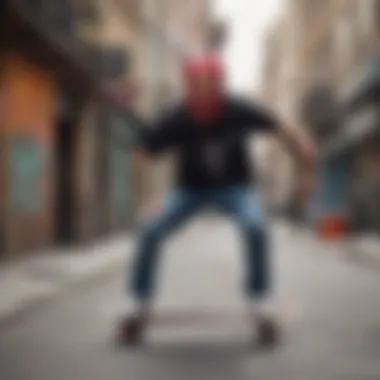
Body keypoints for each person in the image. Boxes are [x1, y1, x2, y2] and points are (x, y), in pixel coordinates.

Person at [118, 54, 316, 347]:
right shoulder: (178, 115)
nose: (204, 92)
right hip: (189, 190)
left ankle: (259, 300)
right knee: (149, 229)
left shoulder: (238, 108)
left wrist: (302, 158)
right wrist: (146, 197)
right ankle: (138, 302)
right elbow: (142, 153)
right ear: (189, 87)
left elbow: (279, 128)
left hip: (236, 187)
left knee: (255, 227)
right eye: (197, 86)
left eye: (211, 85)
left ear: (220, 85)